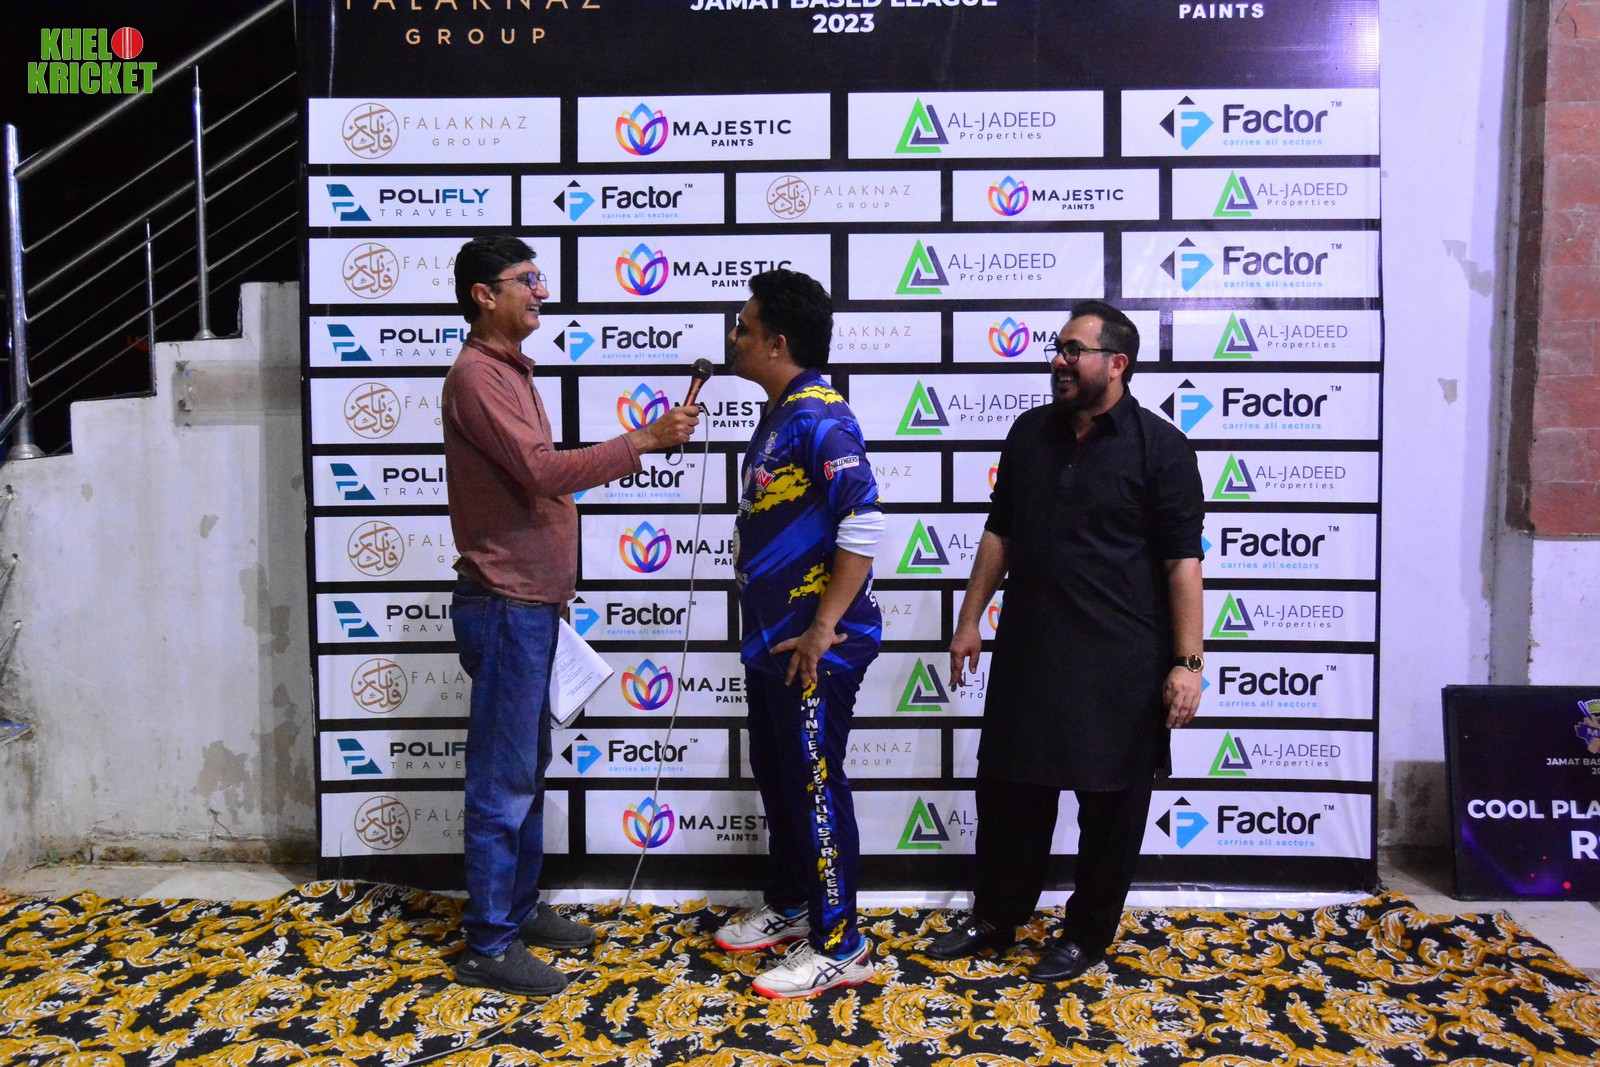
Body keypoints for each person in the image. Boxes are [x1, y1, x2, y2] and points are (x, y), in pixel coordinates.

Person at [442, 235, 700, 997]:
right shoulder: (478, 376)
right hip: (505, 605)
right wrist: (642, 438)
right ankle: (488, 943)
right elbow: (542, 472)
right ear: (484, 294)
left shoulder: (508, 371)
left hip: (529, 606)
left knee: (525, 771)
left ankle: (517, 910)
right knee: (503, 782)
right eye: (527, 279)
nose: (542, 291)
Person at [923, 299, 1205, 982]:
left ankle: (1086, 934)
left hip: (1121, 665)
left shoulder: (1162, 448)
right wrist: (969, 620)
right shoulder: (1029, 433)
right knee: (1010, 795)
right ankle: (997, 916)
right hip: (1029, 652)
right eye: (1058, 348)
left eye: (1074, 350)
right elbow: (1000, 532)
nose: (1059, 361)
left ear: (1117, 363)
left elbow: (1182, 563)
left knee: (1111, 811)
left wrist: (1188, 662)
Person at [712, 269, 885, 999]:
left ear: (778, 343)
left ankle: (842, 944)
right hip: (773, 645)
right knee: (780, 777)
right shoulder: (780, 412)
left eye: (744, 328)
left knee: (813, 785)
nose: (733, 337)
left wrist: (822, 629)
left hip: (815, 650)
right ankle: (790, 904)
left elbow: (864, 523)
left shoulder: (821, 416)